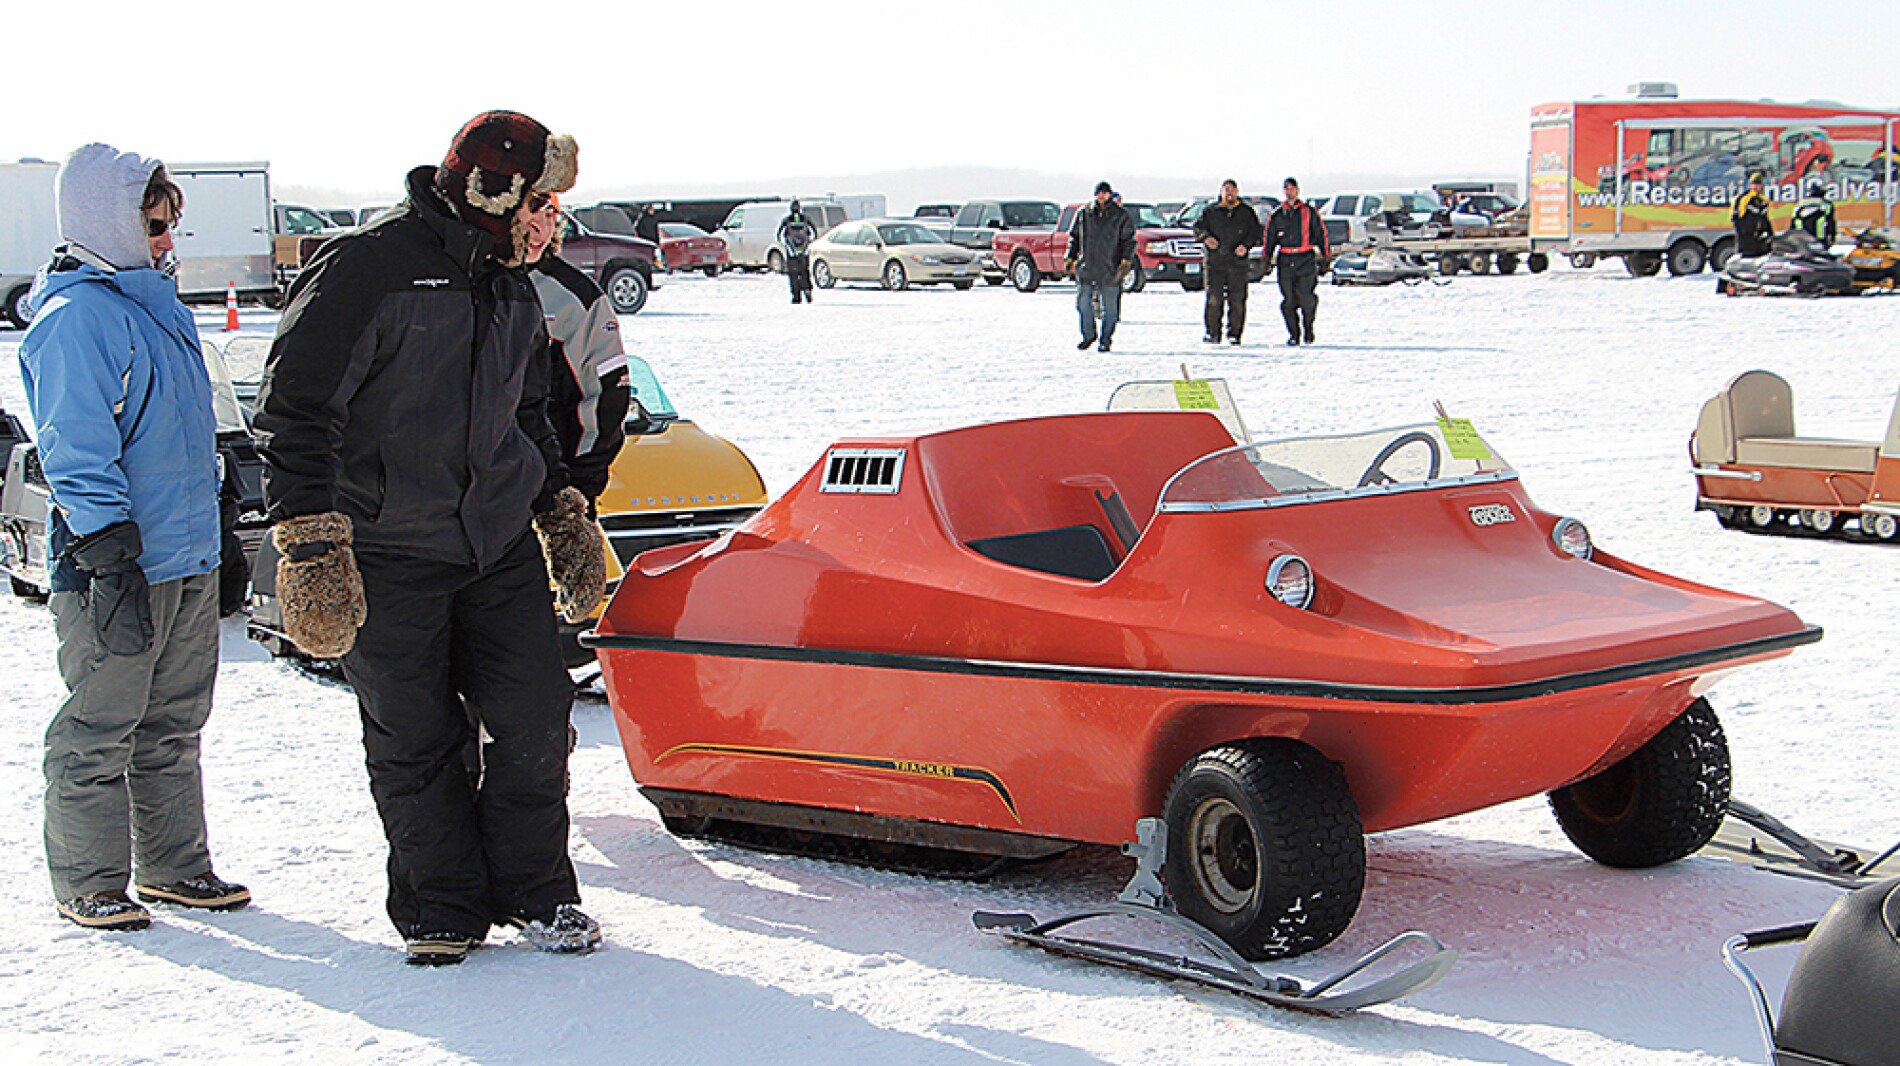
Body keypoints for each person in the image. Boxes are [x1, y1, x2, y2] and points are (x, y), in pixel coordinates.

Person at [253, 111, 608, 966]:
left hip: (495, 549)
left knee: (533, 721)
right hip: (389, 551)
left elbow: (529, 413)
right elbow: (296, 407)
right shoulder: (370, 268)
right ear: (496, 193)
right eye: (543, 203)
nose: (553, 222)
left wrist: (559, 508)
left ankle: (538, 892)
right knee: (415, 737)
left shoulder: (512, 282)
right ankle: (441, 905)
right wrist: (309, 544)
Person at [18, 143, 249, 931]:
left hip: (183, 553)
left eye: (169, 227)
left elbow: (189, 432)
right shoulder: (78, 318)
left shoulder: (160, 309)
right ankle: (88, 877)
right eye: (153, 227)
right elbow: (75, 449)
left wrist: (218, 520)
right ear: (105, 222)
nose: (166, 244)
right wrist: (108, 554)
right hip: (116, 564)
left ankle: (176, 868)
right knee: (99, 726)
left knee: (174, 722)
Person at [525, 194, 631, 514]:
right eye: (529, 213)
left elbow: (607, 398)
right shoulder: (458, 286)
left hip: (548, 496)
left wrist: (576, 494)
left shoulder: (577, 298)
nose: (539, 229)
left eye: (549, 215)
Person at [1063, 181, 1135, 352]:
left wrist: (1126, 261)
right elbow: (1074, 237)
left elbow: (1129, 241)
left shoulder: (1121, 215)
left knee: (1110, 309)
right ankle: (1088, 335)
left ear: (1110, 194)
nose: (1101, 196)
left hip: (1110, 268)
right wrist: (1070, 257)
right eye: (1098, 193)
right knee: (1082, 304)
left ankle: (1106, 339)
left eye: (1104, 193)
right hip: (1087, 267)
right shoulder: (1084, 213)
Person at [1262, 177, 1331, 347]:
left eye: (1292, 188)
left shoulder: (1309, 212)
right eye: (1286, 189)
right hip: (1285, 259)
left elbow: (1321, 234)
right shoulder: (1277, 214)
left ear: (1297, 190)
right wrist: (1266, 259)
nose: (1289, 191)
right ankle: (1294, 334)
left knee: (1306, 297)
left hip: (1305, 257)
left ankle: (1308, 328)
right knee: (1289, 300)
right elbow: (1269, 238)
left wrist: (1325, 257)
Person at [1191, 180, 1261, 345]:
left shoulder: (1246, 212)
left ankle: (1234, 334)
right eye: (1226, 190)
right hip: (1215, 262)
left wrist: (1246, 245)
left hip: (1237, 263)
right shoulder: (1211, 211)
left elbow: (1255, 232)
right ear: (1221, 192)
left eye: (1232, 190)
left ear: (1237, 192)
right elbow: (1198, 228)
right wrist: (1206, 238)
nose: (1229, 193)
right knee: (1214, 298)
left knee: (1237, 300)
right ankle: (1212, 333)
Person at [778, 201, 817, 304]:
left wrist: (786, 244)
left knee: (794, 274)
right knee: (804, 272)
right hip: (803, 251)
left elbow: (779, 235)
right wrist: (809, 243)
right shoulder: (805, 219)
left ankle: (796, 296)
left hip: (792, 252)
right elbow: (814, 232)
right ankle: (806, 291)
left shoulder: (787, 220)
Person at [1732, 172, 1774, 258]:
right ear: (1750, 184)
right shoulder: (1743, 198)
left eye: (1758, 184)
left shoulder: (1764, 200)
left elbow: (1765, 218)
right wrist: (1743, 236)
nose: (1756, 186)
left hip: (1760, 240)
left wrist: (1770, 233)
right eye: (1754, 184)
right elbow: (1736, 218)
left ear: (1761, 185)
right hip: (1747, 240)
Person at [1792, 180, 1837, 248]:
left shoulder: (1798, 206)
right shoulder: (1827, 205)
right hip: (1820, 238)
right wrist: (1833, 237)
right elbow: (1831, 222)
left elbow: (1793, 224)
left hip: (1801, 239)